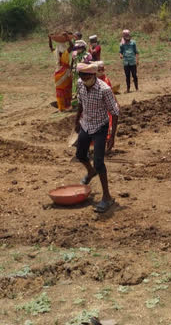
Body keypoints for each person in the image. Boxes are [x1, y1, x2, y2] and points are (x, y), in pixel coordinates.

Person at [75, 63, 120, 213]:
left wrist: (112, 137)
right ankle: (90, 171)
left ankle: (107, 197)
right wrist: (77, 121)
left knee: (99, 162)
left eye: (88, 76)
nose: (85, 79)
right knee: (80, 155)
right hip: (86, 124)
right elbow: (81, 103)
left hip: (100, 126)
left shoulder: (104, 89)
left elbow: (115, 112)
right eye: (82, 76)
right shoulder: (80, 84)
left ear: (94, 75)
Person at [49, 34, 75, 111]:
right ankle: (67, 105)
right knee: (67, 89)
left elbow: (50, 47)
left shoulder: (55, 53)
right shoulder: (65, 53)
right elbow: (72, 46)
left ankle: (61, 106)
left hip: (57, 73)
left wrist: (50, 39)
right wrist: (67, 38)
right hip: (66, 73)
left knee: (60, 90)